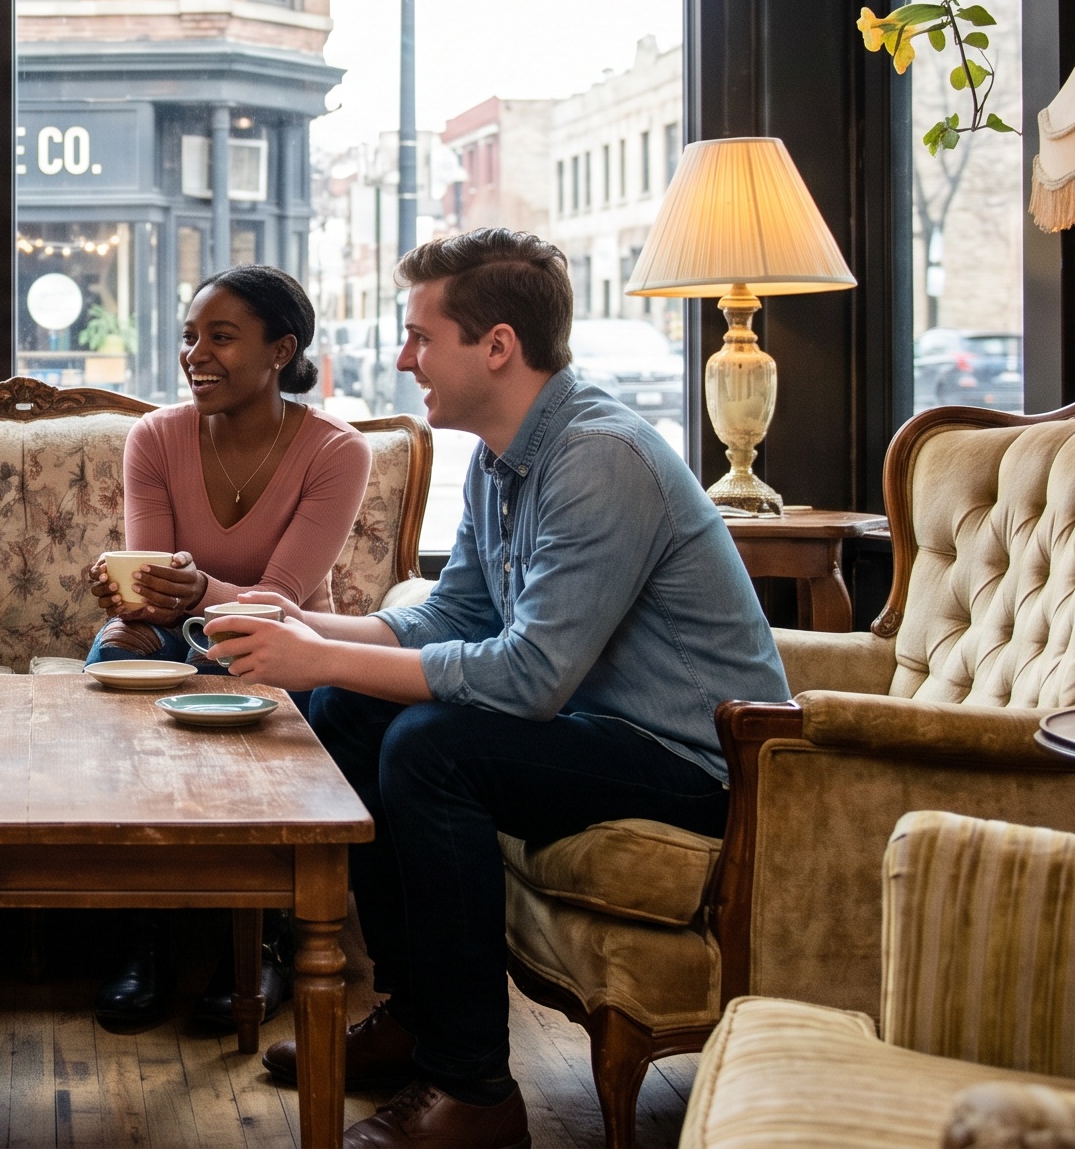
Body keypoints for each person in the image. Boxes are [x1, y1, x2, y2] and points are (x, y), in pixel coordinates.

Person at [199, 229, 789, 1149]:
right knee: (352, 709)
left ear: (498, 346)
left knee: (431, 749)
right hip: (592, 730)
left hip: (693, 758)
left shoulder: (600, 457)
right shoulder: (499, 458)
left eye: (421, 338)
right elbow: (454, 617)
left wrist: (319, 657)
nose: (405, 360)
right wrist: (306, 628)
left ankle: (472, 1090)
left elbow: (528, 678)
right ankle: (414, 1016)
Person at [82, 264, 371, 1036]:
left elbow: (279, 602)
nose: (195, 354)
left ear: (281, 350)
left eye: (221, 337)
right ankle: (144, 937)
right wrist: (128, 598)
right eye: (189, 337)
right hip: (180, 637)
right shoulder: (155, 437)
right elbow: (153, 593)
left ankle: (263, 942)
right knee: (114, 661)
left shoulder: (336, 451)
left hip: (287, 648)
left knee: (273, 687)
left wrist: (193, 591)